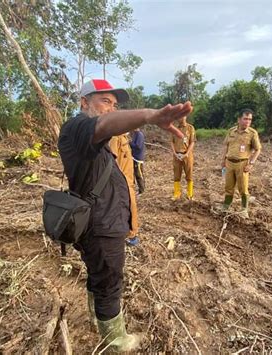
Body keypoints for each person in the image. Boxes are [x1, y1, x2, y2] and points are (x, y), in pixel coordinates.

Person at [58, 79, 192, 352]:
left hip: (100, 221)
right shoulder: (79, 127)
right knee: (110, 281)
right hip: (101, 225)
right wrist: (150, 116)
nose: (111, 109)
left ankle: (97, 321)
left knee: (99, 273)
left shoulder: (98, 140)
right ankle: (116, 343)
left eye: (114, 104)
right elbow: (105, 124)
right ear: (84, 102)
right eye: (104, 101)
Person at [221, 109, 261, 218]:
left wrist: (251, 163)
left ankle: (244, 209)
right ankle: (226, 206)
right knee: (228, 187)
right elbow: (226, 146)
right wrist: (223, 160)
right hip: (229, 163)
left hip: (242, 164)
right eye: (245, 119)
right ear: (239, 119)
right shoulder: (231, 131)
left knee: (243, 188)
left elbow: (258, 149)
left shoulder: (252, 133)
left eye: (250, 119)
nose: (247, 121)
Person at [108, 133, 140, 246]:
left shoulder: (125, 138)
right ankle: (131, 235)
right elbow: (113, 161)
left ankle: (129, 233)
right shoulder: (115, 139)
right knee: (130, 206)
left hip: (129, 181)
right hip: (123, 182)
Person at [170, 116, 196, 200]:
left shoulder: (190, 128)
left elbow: (192, 142)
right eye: (179, 116)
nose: (179, 118)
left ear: (185, 117)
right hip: (177, 155)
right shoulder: (174, 129)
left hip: (187, 155)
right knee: (176, 175)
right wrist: (174, 153)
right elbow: (171, 142)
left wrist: (187, 153)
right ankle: (177, 194)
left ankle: (190, 194)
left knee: (189, 174)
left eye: (182, 116)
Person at [129, 128, 146, 194]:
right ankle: (136, 189)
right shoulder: (135, 134)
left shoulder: (139, 135)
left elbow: (138, 146)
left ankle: (142, 190)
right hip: (134, 157)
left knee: (139, 175)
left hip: (138, 158)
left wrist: (129, 143)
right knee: (134, 174)